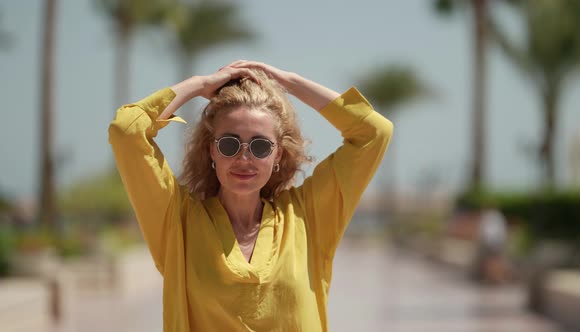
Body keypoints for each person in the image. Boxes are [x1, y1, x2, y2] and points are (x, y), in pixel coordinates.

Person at [108, 60, 393, 331]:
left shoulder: (307, 218)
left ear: (278, 153)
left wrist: (285, 82)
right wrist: (199, 85)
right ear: (211, 150)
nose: (244, 158)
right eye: (230, 144)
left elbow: (374, 132)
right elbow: (126, 131)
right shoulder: (178, 223)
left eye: (260, 146)